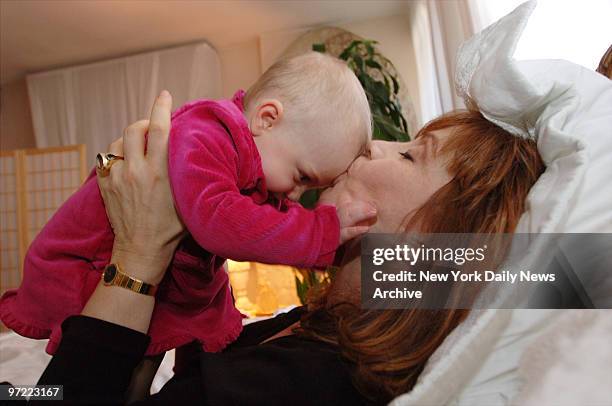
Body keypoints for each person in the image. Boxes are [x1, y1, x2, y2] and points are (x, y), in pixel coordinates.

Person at [13, 86, 543, 405]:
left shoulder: (308, 386)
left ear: (433, 238)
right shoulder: (320, 325)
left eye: (409, 156)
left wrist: (139, 256)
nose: (378, 144)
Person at [0, 52, 377, 365]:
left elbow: (433, 271)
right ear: (267, 118)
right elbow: (221, 221)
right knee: (128, 357)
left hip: (156, 279)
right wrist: (321, 232)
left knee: (176, 339)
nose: (295, 196)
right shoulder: (208, 131)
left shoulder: (431, 265)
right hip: (87, 264)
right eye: (301, 176)